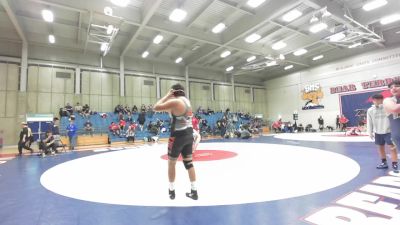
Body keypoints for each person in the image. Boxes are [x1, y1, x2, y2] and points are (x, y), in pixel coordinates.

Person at [153, 83, 198, 200]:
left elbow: (156, 107)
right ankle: (194, 191)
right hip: (189, 135)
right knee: (189, 163)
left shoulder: (176, 102)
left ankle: (171, 191)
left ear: (174, 92)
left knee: (171, 163)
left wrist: (167, 95)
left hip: (177, 137)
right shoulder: (187, 102)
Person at [367, 94, 398, 172]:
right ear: (373, 100)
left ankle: (395, 163)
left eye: (378, 99)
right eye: (374, 100)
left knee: (392, 147)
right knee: (380, 148)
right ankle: (384, 163)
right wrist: (370, 132)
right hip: (378, 132)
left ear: (382, 100)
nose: (376, 101)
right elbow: (369, 121)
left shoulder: (387, 107)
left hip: (389, 131)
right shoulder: (370, 110)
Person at [383, 81, 400, 173]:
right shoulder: (388, 100)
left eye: (397, 86)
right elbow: (395, 109)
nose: (393, 88)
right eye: (391, 87)